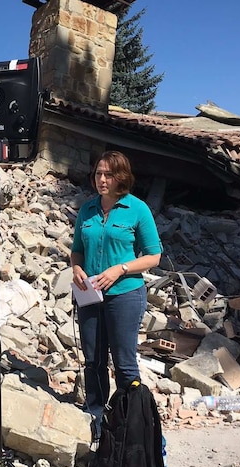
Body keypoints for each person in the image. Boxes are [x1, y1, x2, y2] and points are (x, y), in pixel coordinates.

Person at [70, 150, 162, 438]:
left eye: (108, 174)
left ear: (121, 177)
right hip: (90, 296)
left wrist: (120, 269)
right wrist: (75, 269)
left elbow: (154, 256)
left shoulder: (137, 209)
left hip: (124, 295)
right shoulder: (87, 210)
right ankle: (95, 420)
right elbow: (77, 250)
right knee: (93, 360)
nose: (102, 179)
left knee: (124, 362)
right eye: (98, 173)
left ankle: (129, 424)